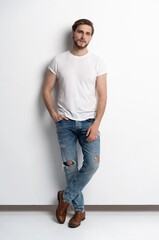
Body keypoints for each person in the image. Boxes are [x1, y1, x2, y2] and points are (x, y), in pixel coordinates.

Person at [43, 19, 107, 228]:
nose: (83, 37)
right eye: (80, 32)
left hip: (89, 122)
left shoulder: (97, 62)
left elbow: (102, 95)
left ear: (91, 37)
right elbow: (46, 89)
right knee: (70, 169)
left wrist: (97, 123)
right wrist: (53, 113)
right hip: (66, 124)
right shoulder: (58, 60)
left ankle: (65, 197)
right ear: (73, 33)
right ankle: (79, 211)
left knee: (92, 164)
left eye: (88, 34)